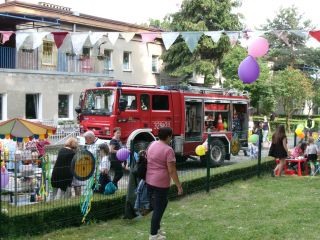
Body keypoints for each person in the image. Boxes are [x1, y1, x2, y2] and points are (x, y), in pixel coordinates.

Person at [146, 127, 183, 240]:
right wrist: (179, 185)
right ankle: (153, 236)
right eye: (171, 136)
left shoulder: (152, 145)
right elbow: (171, 170)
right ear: (168, 137)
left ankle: (156, 231)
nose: (172, 138)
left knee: (162, 204)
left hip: (149, 181)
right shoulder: (168, 150)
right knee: (158, 209)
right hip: (160, 184)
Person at [73, 130, 104, 196]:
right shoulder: (88, 144)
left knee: (96, 185)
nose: (85, 141)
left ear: (90, 138)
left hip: (98, 169)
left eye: (86, 139)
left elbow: (103, 156)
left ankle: (95, 196)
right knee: (89, 186)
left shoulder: (101, 143)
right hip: (89, 169)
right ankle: (89, 197)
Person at [134, 150, 150, 217]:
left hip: (144, 180)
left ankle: (141, 209)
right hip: (145, 180)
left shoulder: (140, 162)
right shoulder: (144, 162)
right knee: (142, 194)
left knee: (140, 193)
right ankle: (142, 209)